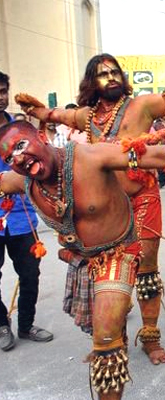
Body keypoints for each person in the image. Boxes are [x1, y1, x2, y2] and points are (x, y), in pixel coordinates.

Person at [16, 53, 165, 365]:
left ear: (121, 77)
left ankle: (150, 337)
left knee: (147, 271)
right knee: (105, 272)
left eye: (114, 72)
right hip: (110, 205)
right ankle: (113, 339)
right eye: (102, 74)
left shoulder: (142, 106)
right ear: (92, 82)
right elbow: (56, 115)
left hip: (143, 197)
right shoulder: (87, 116)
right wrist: (36, 110)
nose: (110, 77)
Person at [0, 120, 165, 399]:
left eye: (21, 145)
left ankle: (148, 339)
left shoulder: (90, 156)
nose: (18, 158)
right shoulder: (25, 182)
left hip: (119, 251)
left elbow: (159, 154)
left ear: (42, 136)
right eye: (9, 157)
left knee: (105, 341)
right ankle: (119, 339)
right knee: (106, 329)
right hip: (82, 260)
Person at [0, 71, 53, 352]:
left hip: (22, 217)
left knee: (30, 274)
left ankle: (25, 325)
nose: (0, 97)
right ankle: (1, 325)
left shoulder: (21, 128)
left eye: (2, 91)